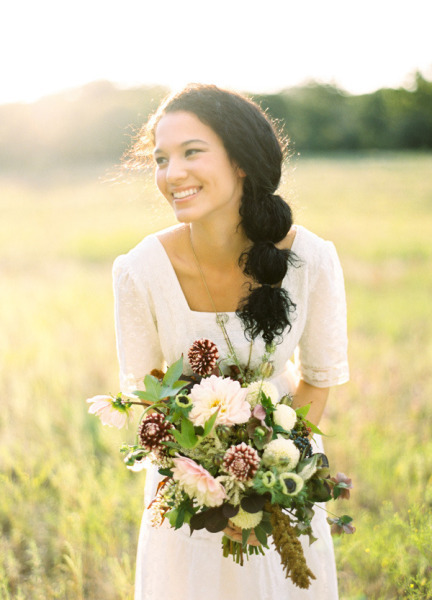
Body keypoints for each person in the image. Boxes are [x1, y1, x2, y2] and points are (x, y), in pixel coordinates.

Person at [113, 84, 349, 600]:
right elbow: (147, 395)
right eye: (161, 158)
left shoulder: (311, 259)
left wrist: (263, 486)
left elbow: (318, 380)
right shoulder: (139, 272)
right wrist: (210, 482)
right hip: (186, 486)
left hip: (284, 478)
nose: (171, 174)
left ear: (241, 160)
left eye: (191, 152)